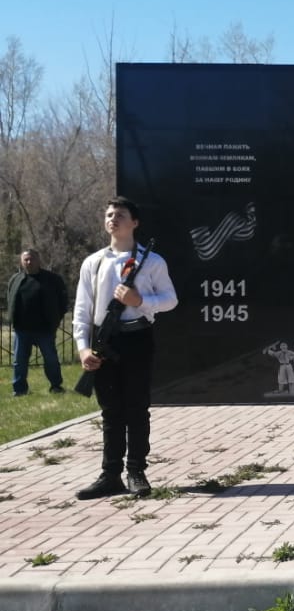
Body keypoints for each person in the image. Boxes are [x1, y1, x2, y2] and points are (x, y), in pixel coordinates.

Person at [72, 197, 178, 499]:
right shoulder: (93, 263)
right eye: (108, 214)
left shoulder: (152, 261)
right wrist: (82, 348)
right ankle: (110, 474)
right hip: (106, 342)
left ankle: (136, 471)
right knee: (111, 411)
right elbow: (82, 310)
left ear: (135, 222)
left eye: (120, 215)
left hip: (138, 339)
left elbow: (171, 300)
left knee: (136, 408)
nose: (112, 219)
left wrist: (141, 301)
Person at [6, 249, 69, 395]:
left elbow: (62, 301)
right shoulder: (16, 280)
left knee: (51, 360)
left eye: (31, 259)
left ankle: (56, 386)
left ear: (38, 260)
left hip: (45, 329)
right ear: (21, 262)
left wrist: (55, 320)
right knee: (19, 362)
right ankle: (20, 390)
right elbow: (10, 299)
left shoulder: (52, 279)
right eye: (26, 259)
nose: (29, 262)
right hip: (22, 330)